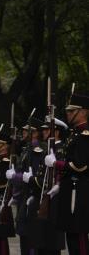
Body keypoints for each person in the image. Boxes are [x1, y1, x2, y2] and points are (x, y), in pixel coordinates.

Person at [47, 91, 89, 255]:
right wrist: (59, 183)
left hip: (78, 192)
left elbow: (80, 165)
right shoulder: (75, 134)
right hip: (70, 189)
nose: (68, 113)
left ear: (84, 111)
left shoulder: (85, 135)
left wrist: (56, 163)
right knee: (72, 238)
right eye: (68, 110)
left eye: (72, 110)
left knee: (79, 239)